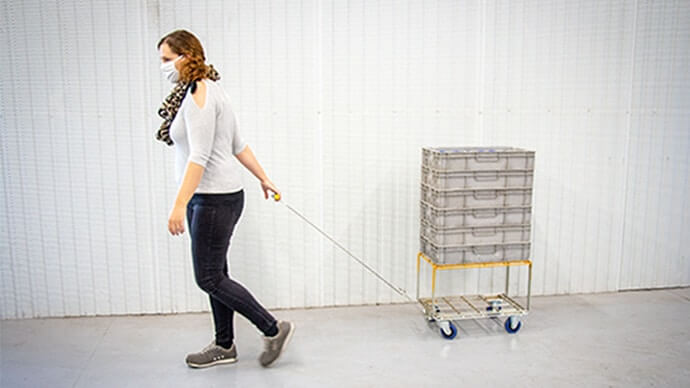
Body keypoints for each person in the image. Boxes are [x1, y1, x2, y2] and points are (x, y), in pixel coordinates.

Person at [155, 29, 294, 369]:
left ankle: (273, 329)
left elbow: (199, 157)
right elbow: (238, 145)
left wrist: (177, 204)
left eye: (166, 60)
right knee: (216, 273)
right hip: (215, 198)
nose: (163, 67)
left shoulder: (200, 94)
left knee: (208, 278)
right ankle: (224, 345)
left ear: (186, 56)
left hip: (212, 199)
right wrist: (263, 177)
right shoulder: (211, 89)